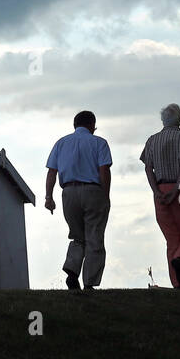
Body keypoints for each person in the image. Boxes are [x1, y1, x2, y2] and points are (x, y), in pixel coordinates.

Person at [44, 111, 113, 291]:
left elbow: (52, 172)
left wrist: (48, 197)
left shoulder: (61, 143)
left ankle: (72, 270)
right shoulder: (99, 143)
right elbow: (104, 170)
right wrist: (105, 196)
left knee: (77, 235)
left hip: (68, 192)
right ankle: (89, 282)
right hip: (93, 191)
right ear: (92, 125)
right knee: (94, 236)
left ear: (75, 125)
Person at [141, 103, 180, 289]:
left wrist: (156, 192)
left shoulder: (151, 140)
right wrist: (177, 190)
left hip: (160, 189)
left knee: (172, 238)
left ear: (162, 120)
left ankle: (178, 284)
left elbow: (148, 168)